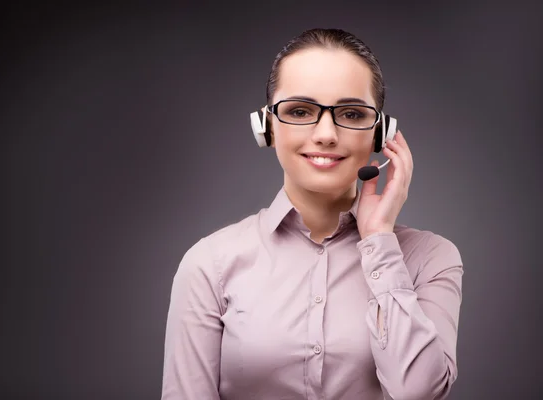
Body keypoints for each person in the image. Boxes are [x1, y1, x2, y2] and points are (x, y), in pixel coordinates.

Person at [161, 28, 463, 400]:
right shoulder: (210, 265)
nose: (326, 134)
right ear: (266, 126)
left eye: (351, 113)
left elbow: (419, 392)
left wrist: (379, 240)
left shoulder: (430, 258)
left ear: (380, 132)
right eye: (300, 111)